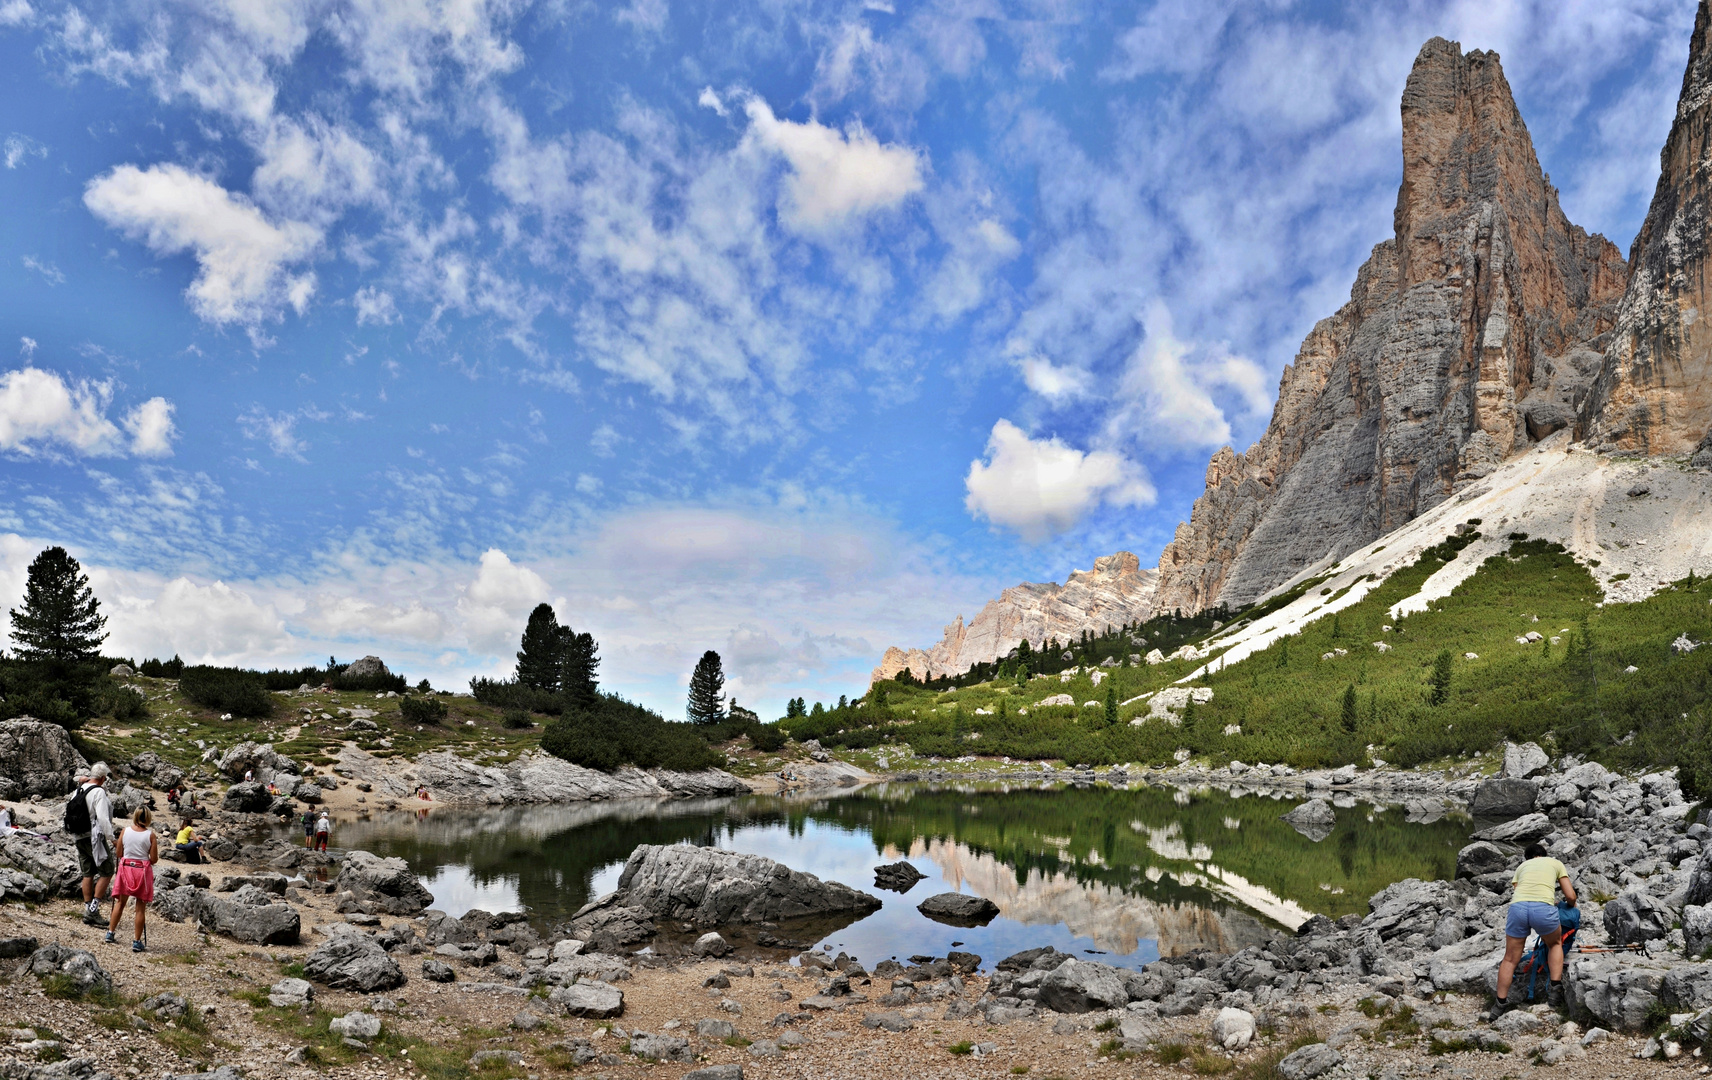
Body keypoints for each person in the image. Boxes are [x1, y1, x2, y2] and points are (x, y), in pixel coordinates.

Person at [1495, 842, 1577, 1011]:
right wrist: (1568, 904)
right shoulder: (1555, 863)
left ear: (1528, 857)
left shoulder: (1522, 867)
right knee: (1554, 944)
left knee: (1510, 958)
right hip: (1543, 910)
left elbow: (1520, 891)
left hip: (1517, 909)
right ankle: (1554, 993)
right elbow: (1571, 896)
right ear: (1544, 854)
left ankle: (1498, 1006)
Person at [107, 806, 157, 951]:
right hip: (141, 871)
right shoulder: (150, 835)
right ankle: (136, 941)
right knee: (140, 908)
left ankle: (110, 932)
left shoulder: (125, 831)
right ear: (147, 818)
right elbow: (153, 859)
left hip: (126, 869)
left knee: (120, 903)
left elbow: (118, 853)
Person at [72, 764, 115, 927]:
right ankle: (93, 911)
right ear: (103, 778)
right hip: (94, 837)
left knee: (87, 873)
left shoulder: (78, 790)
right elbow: (103, 819)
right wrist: (112, 838)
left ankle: (87, 908)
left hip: (78, 836)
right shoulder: (99, 792)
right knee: (107, 870)